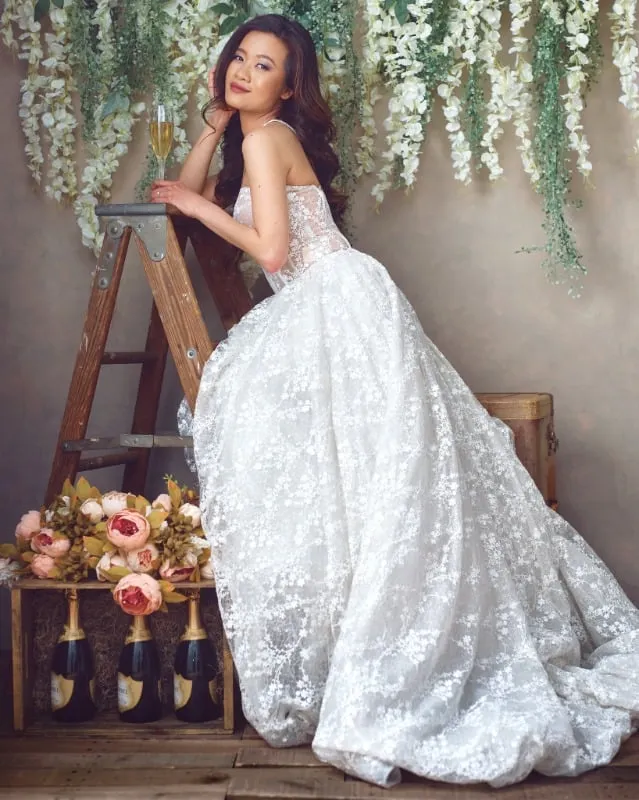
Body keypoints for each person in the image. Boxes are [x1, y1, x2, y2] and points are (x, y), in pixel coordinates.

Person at [151, 13, 639, 789]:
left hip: (331, 299)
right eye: (237, 58)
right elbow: (184, 185)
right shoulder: (252, 138)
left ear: (288, 85)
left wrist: (197, 204)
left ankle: (393, 657)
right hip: (332, 299)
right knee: (363, 475)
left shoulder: (269, 138)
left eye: (264, 64)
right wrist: (209, 132)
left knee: (381, 476)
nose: (244, 71)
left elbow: (269, 249)